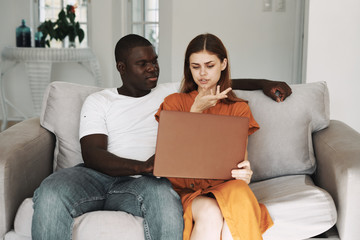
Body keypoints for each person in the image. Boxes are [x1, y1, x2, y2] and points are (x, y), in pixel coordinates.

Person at [32, 34, 289, 240]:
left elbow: (215, 81)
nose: (152, 68)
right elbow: (92, 154)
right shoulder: (100, 101)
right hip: (101, 175)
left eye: (154, 61)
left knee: (164, 199)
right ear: (122, 68)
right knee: (52, 189)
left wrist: (265, 83)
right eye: (142, 64)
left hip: (146, 183)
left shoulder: (170, 92)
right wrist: (143, 166)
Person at [155, 33, 273, 240]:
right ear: (188, 67)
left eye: (209, 65)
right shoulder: (174, 102)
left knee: (237, 197)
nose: (202, 73)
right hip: (186, 192)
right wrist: (195, 112)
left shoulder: (238, 109)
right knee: (212, 212)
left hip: (226, 187)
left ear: (223, 64)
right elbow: (170, 158)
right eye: (195, 66)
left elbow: (238, 161)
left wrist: (244, 173)